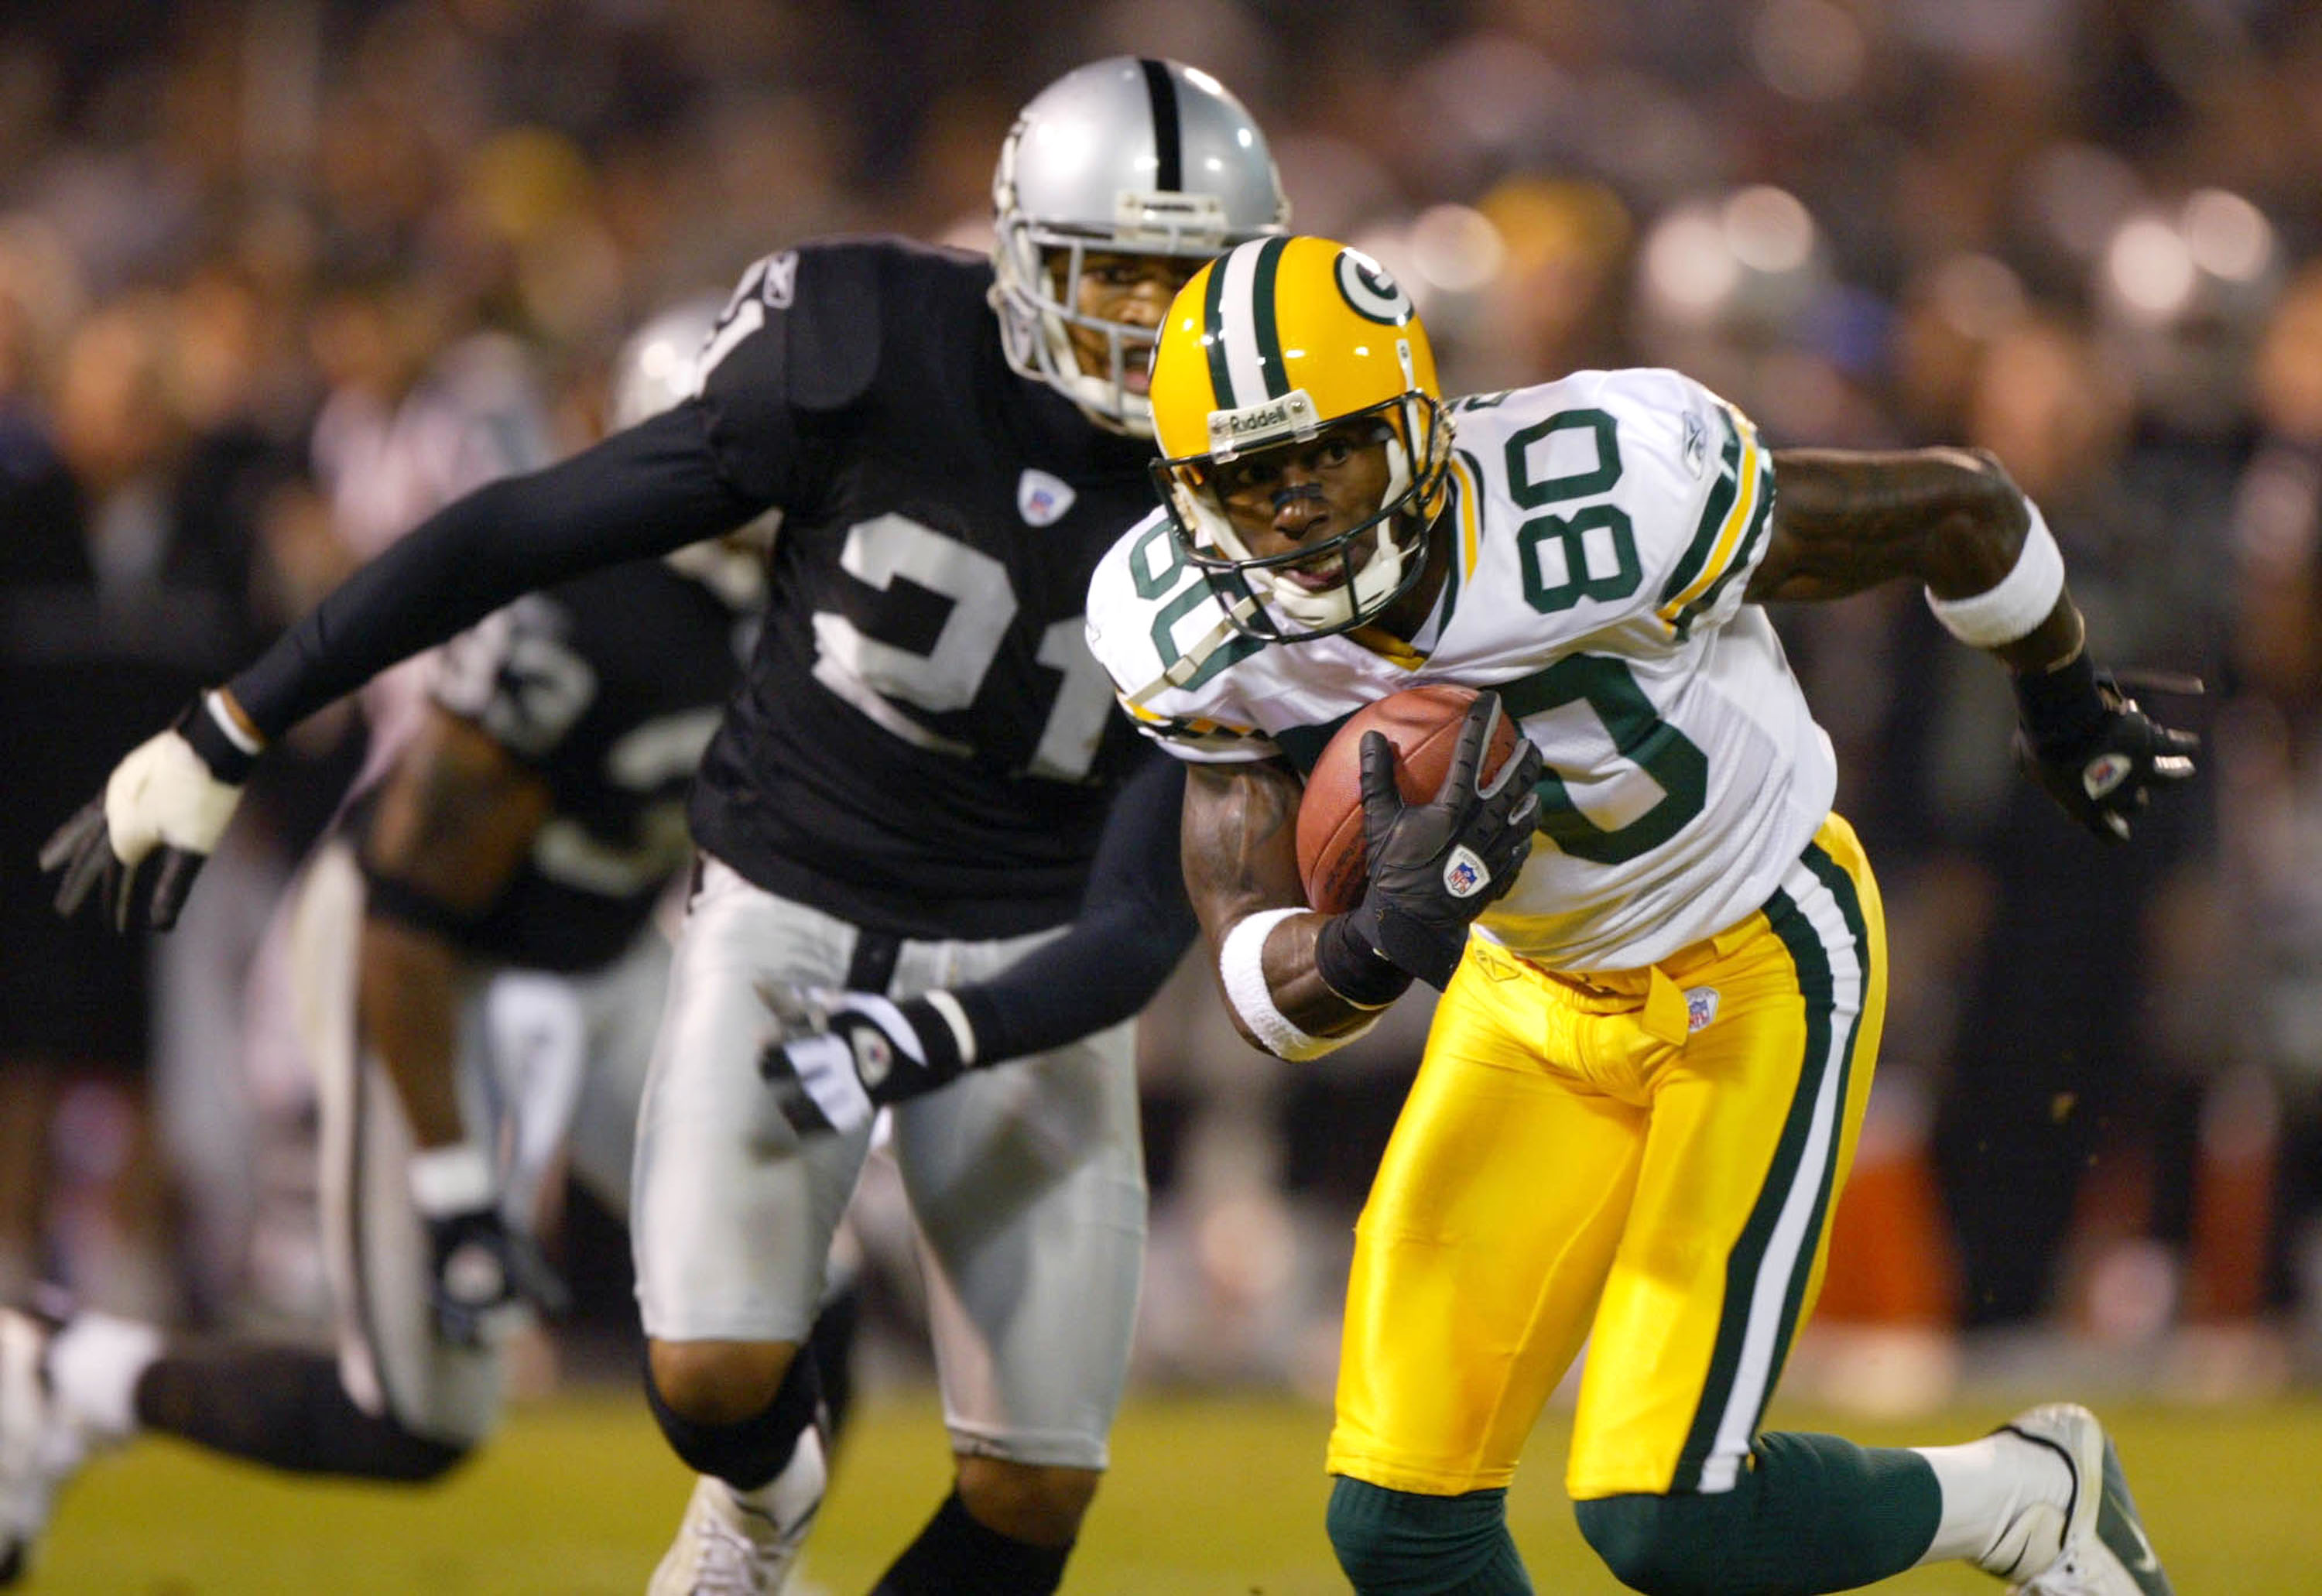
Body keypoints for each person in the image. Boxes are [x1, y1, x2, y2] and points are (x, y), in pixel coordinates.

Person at [35, 57, 1273, 1596]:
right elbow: (519, 526)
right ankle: (753, 1519)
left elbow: (1141, 922)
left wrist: (937, 1036)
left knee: (1031, 1486)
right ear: (1026, 253)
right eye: (1117, 276)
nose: (1151, 325)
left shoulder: (1272, 478)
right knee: (710, 1370)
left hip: (1023, 944)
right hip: (789, 903)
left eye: (1187, 283)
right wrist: (241, 714)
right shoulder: (867, 349)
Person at [1082, 234, 2194, 1596]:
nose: (1298, 508)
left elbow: (1960, 507)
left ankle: (2027, 1494)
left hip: (1755, 951)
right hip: (1529, 994)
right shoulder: (1193, 626)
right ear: (1194, 496)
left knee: (1665, 1511)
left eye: (1331, 454)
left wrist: (2064, 701)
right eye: (1253, 478)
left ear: (1421, 426)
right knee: (1395, 1523)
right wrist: (1381, 944)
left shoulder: (1609, 488)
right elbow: (1259, 980)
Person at [0, 297, 787, 1585]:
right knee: (416, 1425)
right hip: (425, 959)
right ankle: (58, 1370)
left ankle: (745, 1562)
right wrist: (458, 1190)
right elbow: (412, 915)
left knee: (800, 1264)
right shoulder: (583, 614)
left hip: (604, 953)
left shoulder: (809, 581)